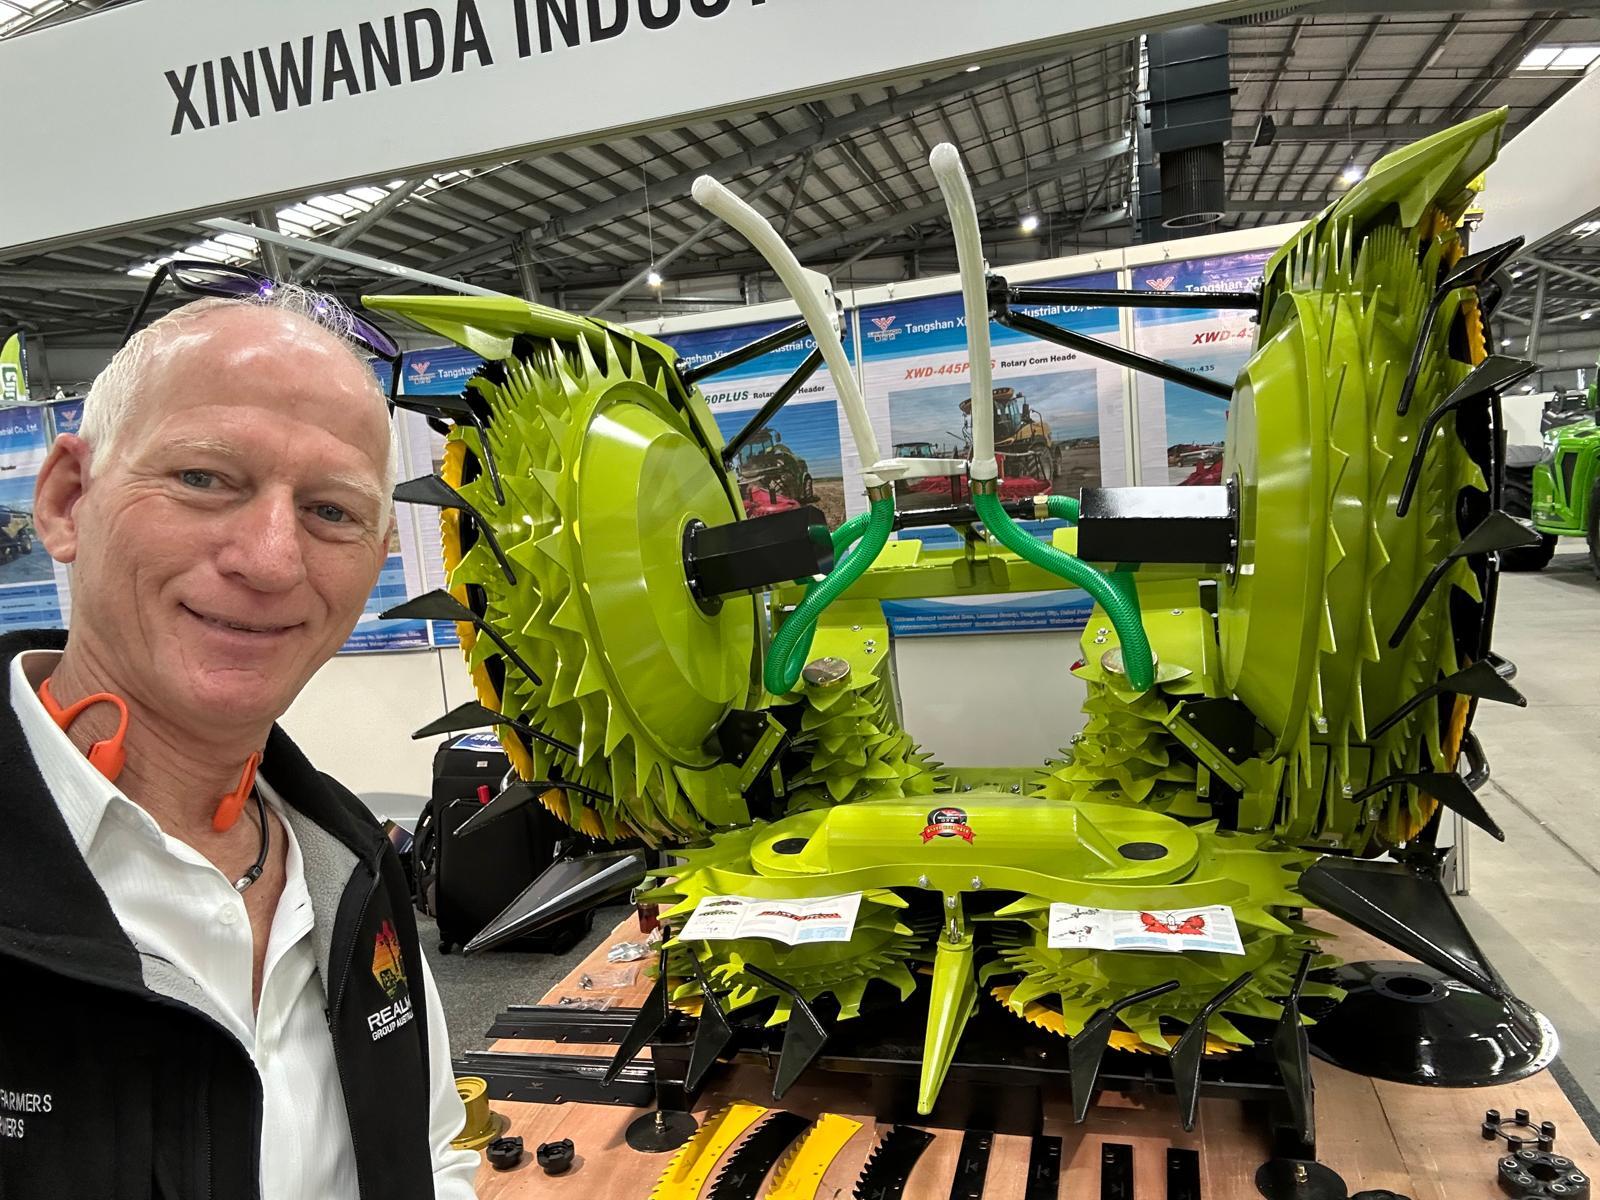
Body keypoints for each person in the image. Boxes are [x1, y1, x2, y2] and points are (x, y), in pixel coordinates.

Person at [0, 291, 480, 1199]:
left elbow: (431, 1154)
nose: (270, 560)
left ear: (378, 553)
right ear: (67, 501)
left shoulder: (351, 870)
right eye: (204, 478)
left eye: (331, 511)